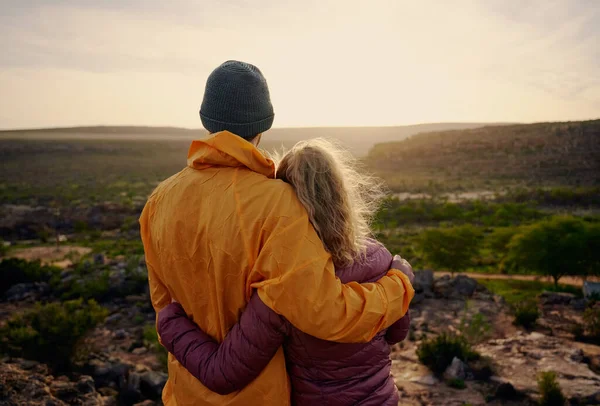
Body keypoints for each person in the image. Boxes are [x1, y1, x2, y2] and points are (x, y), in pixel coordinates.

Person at [139, 60, 414, 406]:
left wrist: (173, 331)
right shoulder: (279, 203)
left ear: (205, 119)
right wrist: (398, 285)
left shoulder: (158, 201)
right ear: (264, 123)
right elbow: (324, 311)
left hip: (185, 392)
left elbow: (165, 306)